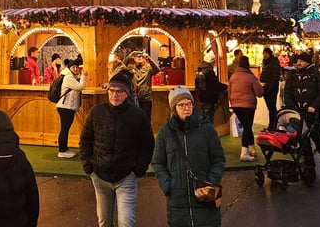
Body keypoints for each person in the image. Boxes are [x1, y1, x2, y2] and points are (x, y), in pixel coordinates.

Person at [80, 71, 154, 227]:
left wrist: (138, 169)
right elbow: (85, 139)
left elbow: (147, 145)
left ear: (126, 94)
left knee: (126, 222)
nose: (115, 95)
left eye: (119, 91)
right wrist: (88, 166)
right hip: (100, 175)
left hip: (126, 176)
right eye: (112, 90)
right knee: (104, 221)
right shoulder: (96, 112)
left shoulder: (138, 115)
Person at [152, 87, 225, 227]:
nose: (186, 108)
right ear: (173, 108)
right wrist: (167, 185)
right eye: (181, 105)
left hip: (205, 194)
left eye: (189, 103)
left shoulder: (207, 129)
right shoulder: (165, 133)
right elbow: (158, 163)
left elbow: (218, 159)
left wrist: (212, 181)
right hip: (177, 200)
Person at [284, 52, 320, 175]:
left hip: (313, 113)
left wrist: (314, 106)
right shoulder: (293, 75)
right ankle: (310, 165)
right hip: (298, 113)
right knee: (302, 139)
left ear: (307, 62)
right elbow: (288, 92)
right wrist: (290, 107)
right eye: (297, 61)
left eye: (301, 61)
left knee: (317, 138)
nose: (298, 63)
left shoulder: (317, 75)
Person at [228, 55, 263, 161]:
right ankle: (244, 152)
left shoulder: (233, 76)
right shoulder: (251, 77)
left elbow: (229, 92)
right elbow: (259, 93)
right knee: (247, 127)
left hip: (236, 105)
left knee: (247, 126)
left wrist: (233, 102)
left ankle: (252, 148)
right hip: (248, 105)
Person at [56, 58, 87, 158]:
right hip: (65, 107)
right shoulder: (68, 77)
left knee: (65, 128)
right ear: (69, 68)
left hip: (67, 106)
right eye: (73, 67)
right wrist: (83, 76)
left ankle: (64, 148)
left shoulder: (70, 76)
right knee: (64, 129)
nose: (76, 69)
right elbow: (80, 87)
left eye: (77, 67)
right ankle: (62, 151)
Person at [124, 50, 160, 123]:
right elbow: (122, 67)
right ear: (133, 58)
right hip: (133, 98)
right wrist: (129, 57)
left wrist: (149, 58)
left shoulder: (148, 68)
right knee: (133, 120)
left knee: (146, 120)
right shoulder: (130, 68)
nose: (139, 57)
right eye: (137, 56)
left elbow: (157, 70)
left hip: (146, 99)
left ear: (144, 58)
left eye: (141, 56)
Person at [194, 60, 226, 125]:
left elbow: (196, 85)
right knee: (209, 118)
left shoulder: (199, 72)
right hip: (209, 98)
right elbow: (215, 85)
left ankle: (204, 132)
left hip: (202, 98)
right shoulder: (209, 72)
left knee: (204, 117)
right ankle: (208, 133)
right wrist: (225, 86)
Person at [259, 47, 282, 130]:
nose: (264, 55)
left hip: (271, 89)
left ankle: (274, 125)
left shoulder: (274, 62)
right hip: (265, 88)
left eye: (266, 53)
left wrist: (268, 87)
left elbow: (275, 77)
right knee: (270, 108)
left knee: (272, 108)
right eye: (263, 53)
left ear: (270, 54)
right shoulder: (266, 63)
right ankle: (271, 125)